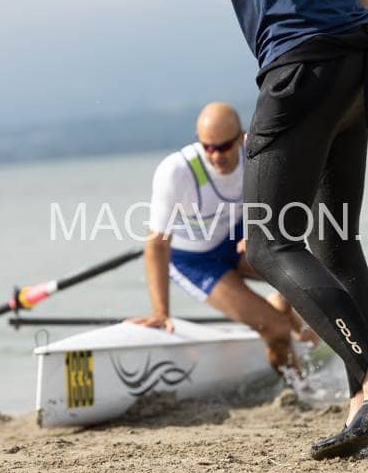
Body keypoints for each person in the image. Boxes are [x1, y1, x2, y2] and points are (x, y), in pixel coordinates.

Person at [216, 0, 368, 460]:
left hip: (301, 64)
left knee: (269, 245)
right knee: (336, 243)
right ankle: (365, 415)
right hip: (360, 60)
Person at [129, 102, 317, 374]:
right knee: (276, 330)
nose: (215, 156)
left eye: (224, 147)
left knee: (302, 273)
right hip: (194, 261)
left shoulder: (257, 153)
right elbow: (157, 244)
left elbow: (291, 203)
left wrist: (256, 230)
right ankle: (299, 387)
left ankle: (290, 315)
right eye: (207, 147)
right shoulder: (176, 172)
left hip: (235, 237)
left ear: (241, 138)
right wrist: (160, 313)